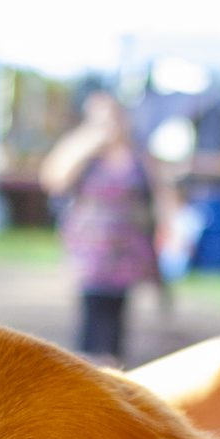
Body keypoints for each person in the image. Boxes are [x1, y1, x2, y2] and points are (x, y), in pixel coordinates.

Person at [41, 86, 161, 364]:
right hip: (92, 248)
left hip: (126, 248)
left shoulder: (136, 153)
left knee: (117, 312)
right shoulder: (81, 149)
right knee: (93, 310)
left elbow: (157, 192)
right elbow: (54, 179)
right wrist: (87, 143)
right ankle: (89, 364)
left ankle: (111, 365)